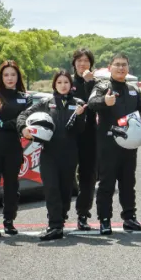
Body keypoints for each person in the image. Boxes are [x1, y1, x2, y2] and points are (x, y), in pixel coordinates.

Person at [17, 70, 87, 241]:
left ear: (71, 85)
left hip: (70, 153)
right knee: (51, 188)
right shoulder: (46, 102)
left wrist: (79, 116)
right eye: (59, 82)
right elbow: (23, 115)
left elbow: (80, 130)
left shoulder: (79, 104)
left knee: (65, 190)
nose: (63, 85)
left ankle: (60, 219)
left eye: (66, 82)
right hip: (49, 153)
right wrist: (23, 128)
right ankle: (55, 225)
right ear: (54, 84)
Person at [88, 53, 141, 235]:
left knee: (128, 183)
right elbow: (91, 103)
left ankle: (129, 218)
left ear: (128, 68)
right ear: (110, 67)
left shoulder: (134, 90)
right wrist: (104, 101)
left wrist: (138, 125)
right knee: (106, 184)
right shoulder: (102, 86)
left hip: (129, 144)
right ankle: (105, 220)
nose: (121, 68)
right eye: (117, 64)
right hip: (108, 143)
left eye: (124, 65)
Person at [0, 60, 32, 238]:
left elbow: (25, 120)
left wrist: (6, 124)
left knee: (11, 187)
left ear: (18, 77)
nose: (10, 78)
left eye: (13, 74)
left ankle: (9, 221)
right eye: (6, 75)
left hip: (13, 147)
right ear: (1, 77)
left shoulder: (25, 98)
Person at [70, 48, 99, 231]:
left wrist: (89, 82)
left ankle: (82, 214)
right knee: (65, 176)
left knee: (88, 177)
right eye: (79, 60)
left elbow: (94, 104)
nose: (82, 64)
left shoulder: (97, 84)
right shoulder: (67, 82)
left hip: (90, 135)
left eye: (86, 61)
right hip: (69, 135)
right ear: (74, 63)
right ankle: (59, 215)